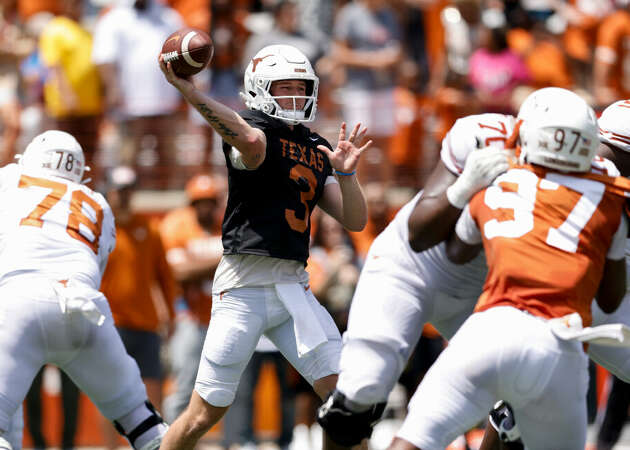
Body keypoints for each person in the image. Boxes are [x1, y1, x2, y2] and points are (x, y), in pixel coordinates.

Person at [317, 88, 630, 446]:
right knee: (359, 395)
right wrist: (463, 188)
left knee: (516, 416)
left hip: (497, 291)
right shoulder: (487, 138)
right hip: (416, 270)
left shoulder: (603, 183)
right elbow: (422, 236)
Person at [158, 43, 370, 450]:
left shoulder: (314, 144)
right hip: (243, 289)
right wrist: (190, 91)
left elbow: (355, 219)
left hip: (294, 288)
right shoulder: (249, 129)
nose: (294, 97)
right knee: (206, 412)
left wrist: (346, 175)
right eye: (284, 88)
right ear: (258, 89)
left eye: (300, 88)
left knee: (347, 403)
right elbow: (253, 143)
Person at [0, 130, 168, 450]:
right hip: (86, 309)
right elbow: (95, 269)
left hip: (21, 303)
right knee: (145, 425)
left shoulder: (10, 178)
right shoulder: (98, 203)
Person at [99, 165, 177, 449]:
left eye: (128, 191)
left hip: (146, 323)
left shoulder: (150, 228)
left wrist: (171, 315)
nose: (124, 197)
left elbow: (164, 277)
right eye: (120, 191)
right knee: (108, 392)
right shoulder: (99, 228)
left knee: (151, 391)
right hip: (110, 324)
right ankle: (110, 447)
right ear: (108, 192)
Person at [159, 173, 225, 423]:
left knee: (218, 388)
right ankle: (170, 438)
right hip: (187, 316)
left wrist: (198, 266)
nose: (205, 206)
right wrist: (222, 262)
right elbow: (178, 272)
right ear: (191, 203)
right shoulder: (176, 224)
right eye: (200, 201)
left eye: (209, 201)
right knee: (184, 383)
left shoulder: (225, 225)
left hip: (220, 316)